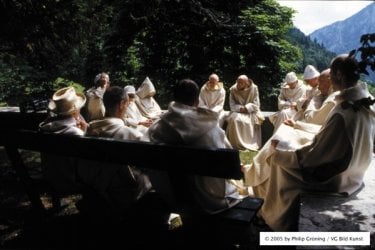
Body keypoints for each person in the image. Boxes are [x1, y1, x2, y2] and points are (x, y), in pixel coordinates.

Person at [244, 54, 375, 231]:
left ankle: (276, 218)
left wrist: (282, 154)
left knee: (276, 160)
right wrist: (298, 126)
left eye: (330, 76)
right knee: (284, 143)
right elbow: (327, 134)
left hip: (337, 179)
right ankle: (260, 190)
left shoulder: (342, 112)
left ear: (338, 75)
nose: (328, 80)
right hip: (355, 170)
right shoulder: (364, 100)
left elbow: (312, 157)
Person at [147, 79, 242, 214]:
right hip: (209, 199)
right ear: (197, 100)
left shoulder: (156, 129)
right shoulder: (211, 128)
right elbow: (228, 159)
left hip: (173, 196)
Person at [39, 86, 88, 192]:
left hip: (49, 179)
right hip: (70, 182)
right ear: (75, 111)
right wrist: (85, 133)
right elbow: (85, 164)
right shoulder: (76, 134)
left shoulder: (44, 129)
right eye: (79, 107)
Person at [225, 75, 264, 151]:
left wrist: (247, 107)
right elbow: (232, 104)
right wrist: (240, 108)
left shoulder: (254, 88)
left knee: (247, 122)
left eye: (241, 83)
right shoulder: (233, 89)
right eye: (237, 82)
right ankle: (235, 144)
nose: (238, 84)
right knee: (234, 119)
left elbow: (257, 104)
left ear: (246, 83)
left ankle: (248, 144)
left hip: (251, 112)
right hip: (238, 111)